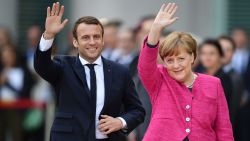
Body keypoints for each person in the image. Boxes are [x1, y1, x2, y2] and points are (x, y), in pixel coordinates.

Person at [34, 2, 145, 141]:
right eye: (85, 37)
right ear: (75, 42)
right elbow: (41, 65)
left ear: (103, 40)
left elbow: (137, 110)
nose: (92, 42)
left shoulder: (120, 71)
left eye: (96, 37)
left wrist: (120, 122)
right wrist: (49, 35)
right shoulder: (63, 66)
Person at [138, 3, 234, 141]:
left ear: (193, 57)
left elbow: (223, 127)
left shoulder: (214, 83)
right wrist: (155, 30)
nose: (176, 65)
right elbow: (145, 66)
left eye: (181, 59)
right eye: (170, 60)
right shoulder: (160, 79)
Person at [199, 39, 233, 107]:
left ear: (220, 55)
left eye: (212, 53)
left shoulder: (224, 79)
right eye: (203, 53)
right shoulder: (198, 76)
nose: (207, 57)